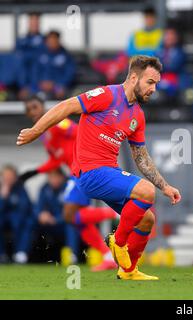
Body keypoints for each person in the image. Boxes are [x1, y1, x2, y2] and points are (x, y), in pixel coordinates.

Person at [17, 55, 182, 280]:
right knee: (145, 191)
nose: (154, 89)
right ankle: (117, 242)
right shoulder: (106, 95)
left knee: (147, 219)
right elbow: (67, 106)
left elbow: (141, 157)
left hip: (108, 172)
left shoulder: (137, 116)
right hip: (90, 172)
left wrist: (164, 185)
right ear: (134, 78)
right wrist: (35, 131)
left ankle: (128, 271)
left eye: (156, 84)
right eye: (150, 82)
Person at [22, 95, 117, 272]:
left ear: (42, 107)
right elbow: (56, 160)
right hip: (76, 172)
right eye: (28, 109)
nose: (32, 112)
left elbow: (80, 130)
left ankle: (115, 214)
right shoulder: (46, 134)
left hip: (83, 170)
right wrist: (35, 172)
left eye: (34, 107)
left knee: (69, 216)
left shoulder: (59, 123)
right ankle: (107, 256)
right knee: (77, 220)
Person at [33, 169, 79, 263]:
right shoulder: (44, 188)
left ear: (62, 177)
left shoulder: (69, 188)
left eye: (56, 177)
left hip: (63, 223)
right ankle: (28, 256)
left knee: (71, 225)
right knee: (30, 223)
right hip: (48, 223)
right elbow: (38, 207)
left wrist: (56, 219)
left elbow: (72, 211)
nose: (53, 180)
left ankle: (72, 255)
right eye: (51, 177)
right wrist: (40, 214)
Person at [0, 165, 32, 264]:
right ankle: (1, 254)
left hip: (18, 219)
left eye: (11, 176)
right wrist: (3, 197)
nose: (8, 178)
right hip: (3, 218)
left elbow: (25, 207)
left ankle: (20, 253)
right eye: (6, 176)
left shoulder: (20, 188)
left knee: (24, 222)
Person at [32, 30, 76, 100]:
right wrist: (41, 83)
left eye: (54, 41)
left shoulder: (66, 55)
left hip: (58, 87)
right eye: (50, 41)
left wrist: (56, 84)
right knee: (30, 94)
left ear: (58, 41)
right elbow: (34, 71)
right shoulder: (39, 54)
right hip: (40, 86)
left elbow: (69, 73)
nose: (52, 43)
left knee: (61, 93)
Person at [15, 12, 45, 100]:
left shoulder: (46, 40)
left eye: (36, 21)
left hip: (41, 85)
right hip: (23, 86)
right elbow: (17, 66)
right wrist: (22, 86)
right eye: (32, 21)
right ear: (28, 23)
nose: (34, 24)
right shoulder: (21, 41)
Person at [156, 28, 189, 97]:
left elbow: (175, 67)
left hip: (176, 78)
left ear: (176, 38)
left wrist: (161, 66)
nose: (169, 38)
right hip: (161, 78)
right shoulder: (158, 52)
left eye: (172, 35)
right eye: (167, 35)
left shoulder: (181, 52)